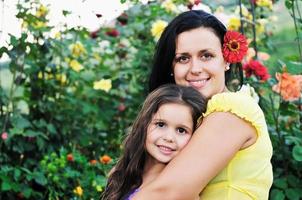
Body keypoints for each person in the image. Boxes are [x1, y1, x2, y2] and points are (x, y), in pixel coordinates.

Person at [132, 10, 273, 200]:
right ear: (171, 68)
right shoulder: (186, 118)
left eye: (206, 56)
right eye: (183, 58)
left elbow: (167, 192)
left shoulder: (235, 108)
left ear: (226, 61)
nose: (195, 69)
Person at [101, 84, 207, 200]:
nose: (169, 137)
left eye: (181, 130)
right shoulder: (120, 175)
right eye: (160, 124)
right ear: (144, 125)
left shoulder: (180, 190)